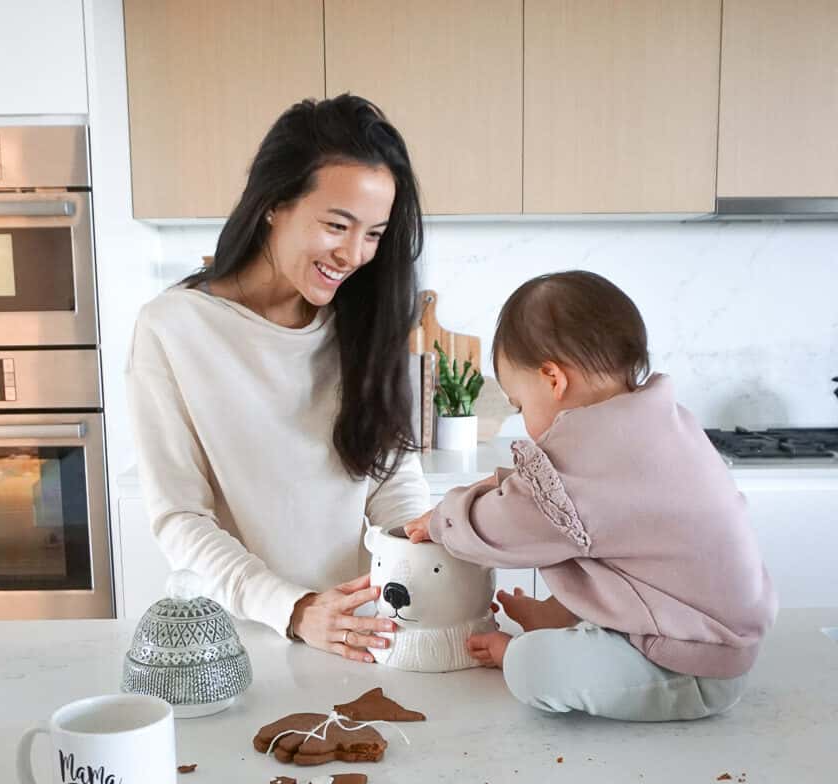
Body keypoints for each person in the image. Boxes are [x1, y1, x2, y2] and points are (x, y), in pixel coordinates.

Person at [126, 95, 431, 662]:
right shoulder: (173, 328)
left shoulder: (363, 321)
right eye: (337, 225)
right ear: (273, 205)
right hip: (236, 643)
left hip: (360, 632)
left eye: (373, 234)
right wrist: (292, 609)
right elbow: (179, 518)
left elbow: (393, 480)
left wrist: (431, 546)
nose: (354, 254)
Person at [405, 271, 777, 721]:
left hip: (689, 666)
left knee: (533, 666)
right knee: (597, 550)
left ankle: (526, 652)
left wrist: (444, 519)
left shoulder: (584, 460)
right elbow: (578, 521)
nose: (522, 420)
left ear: (552, 379)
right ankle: (562, 621)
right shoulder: (659, 424)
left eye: (519, 405)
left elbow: (504, 527)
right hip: (704, 632)